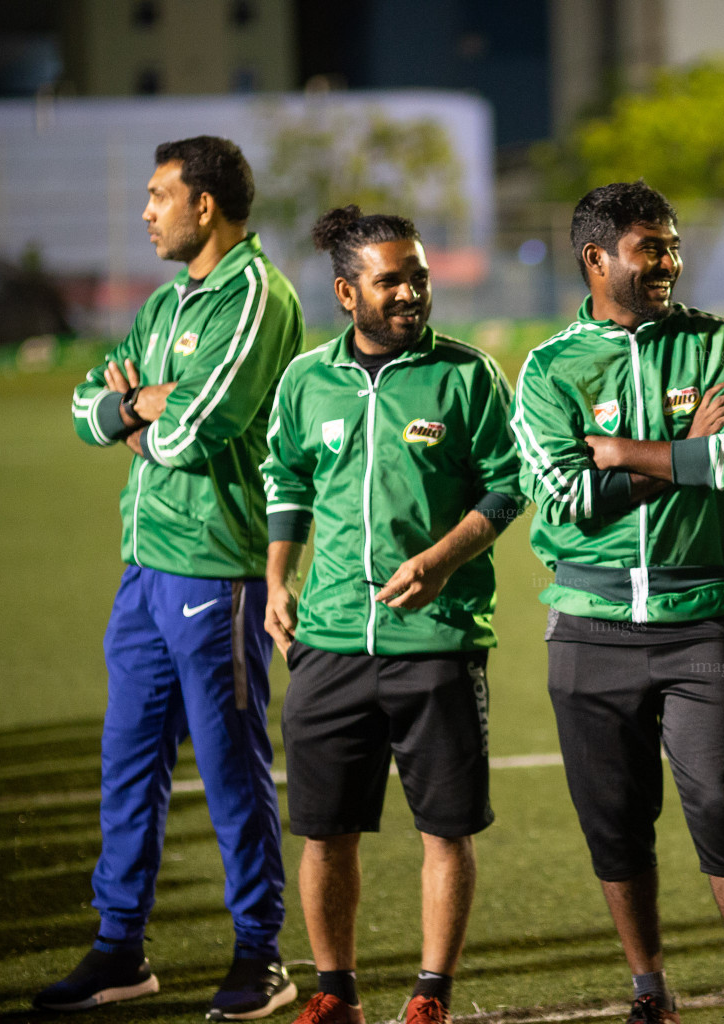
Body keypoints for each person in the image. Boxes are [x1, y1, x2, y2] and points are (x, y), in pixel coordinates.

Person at [510, 181, 724, 1024]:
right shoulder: (550, 368)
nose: (668, 262)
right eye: (648, 248)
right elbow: (564, 497)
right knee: (615, 825)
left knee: (717, 807)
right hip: (587, 627)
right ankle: (649, 992)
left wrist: (621, 451)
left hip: (699, 617)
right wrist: (677, 451)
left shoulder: (715, 342)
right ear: (596, 259)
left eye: (672, 245)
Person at [52, 136, 304, 1019]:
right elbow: (86, 403)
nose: (148, 210)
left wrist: (146, 414)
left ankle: (260, 955)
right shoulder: (165, 307)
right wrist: (134, 405)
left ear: (205, 205)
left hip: (218, 572)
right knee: (127, 767)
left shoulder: (256, 297)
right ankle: (119, 948)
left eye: (160, 195)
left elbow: (196, 429)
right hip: (145, 570)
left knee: (233, 771)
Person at [261, 206, 524, 1024]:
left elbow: (510, 483)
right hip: (330, 640)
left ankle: (430, 996)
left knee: (445, 829)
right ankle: (334, 992)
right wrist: (279, 577)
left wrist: (442, 561)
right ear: (347, 292)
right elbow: (287, 481)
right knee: (323, 830)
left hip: (436, 641)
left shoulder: (468, 375)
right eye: (391, 281)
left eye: (418, 275)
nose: (411, 291)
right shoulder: (307, 380)